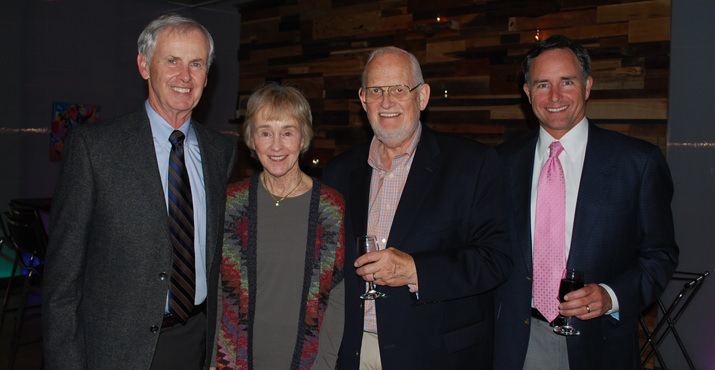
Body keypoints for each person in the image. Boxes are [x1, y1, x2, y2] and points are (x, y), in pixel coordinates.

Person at [43, 13, 237, 370]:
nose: (185, 76)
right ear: (144, 65)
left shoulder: (219, 153)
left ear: (207, 76)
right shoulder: (95, 148)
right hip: (116, 349)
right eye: (172, 61)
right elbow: (62, 280)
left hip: (196, 341)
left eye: (196, 64)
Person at [493, 34, 679, 369]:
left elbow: (659, 256)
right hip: (516, 343)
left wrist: (611, 296)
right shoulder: (499, 163)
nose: (554, 96)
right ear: (526, 92)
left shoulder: (637, 162)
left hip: (600, 343)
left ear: (588, 85)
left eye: (567, 81)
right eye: (542, 84)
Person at [322, 46, 512, 370]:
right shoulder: (337, 173)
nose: (386, 101)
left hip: (435, 354)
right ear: (362, 98)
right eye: (376, 90)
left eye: (399, 89)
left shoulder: (472, 164)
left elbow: (497, 258)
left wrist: (415, 271)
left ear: (422, 97)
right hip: (353, 351)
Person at [214, 83, 345, 370]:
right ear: (251, 139)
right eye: (265, 133)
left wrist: (323, 364)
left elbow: (337, 297)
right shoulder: (231, 204)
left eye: (287, 132)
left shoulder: (330, 208)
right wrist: (216, 359)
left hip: (309, 363)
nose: (276, 145)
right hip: (236, 362)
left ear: (303, 137)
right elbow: (219, 290)